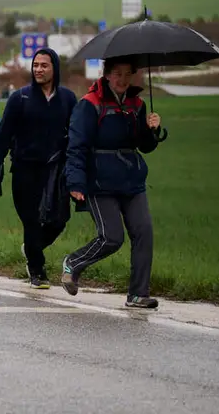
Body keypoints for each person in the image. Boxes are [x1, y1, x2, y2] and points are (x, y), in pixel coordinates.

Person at [61, 56, 164, 309]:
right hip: (100, 182)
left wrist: (151, 130)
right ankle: (73, 263)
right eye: (117, 74)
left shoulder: (137, 104)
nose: (122, 79)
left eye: (128, 74)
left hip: (131, 180)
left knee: (144, 233)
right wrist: (76, 182)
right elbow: (76, 146)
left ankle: (138, 294)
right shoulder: (90, 104)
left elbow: (144, 146)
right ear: (107, 75)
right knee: (111, 238)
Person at [0, 48, 78, 288]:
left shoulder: (68, 99)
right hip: (24, 170)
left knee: (59, 221)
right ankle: (37, 271)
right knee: (31, 221)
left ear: (54, 68)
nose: (38, 69)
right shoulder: (20, 98)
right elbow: (3, 135)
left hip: (55, 173)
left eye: (44, 65)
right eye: (35, 65)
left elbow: (78, 135)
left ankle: (30, 248)